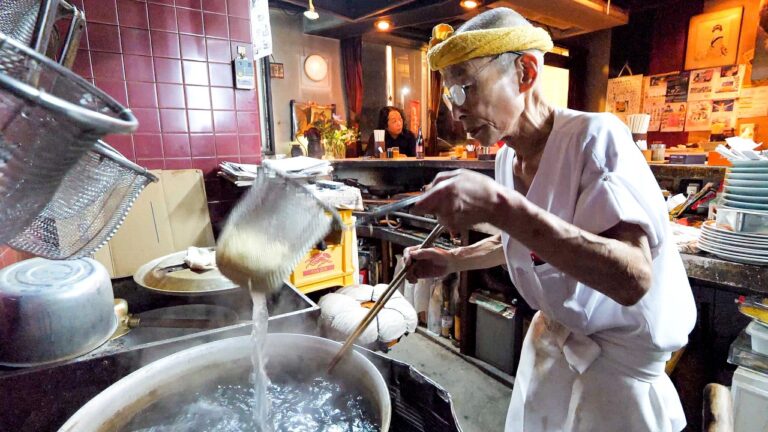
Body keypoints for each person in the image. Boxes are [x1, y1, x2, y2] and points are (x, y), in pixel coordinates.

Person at [405, 8, 696, 432]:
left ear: (525, 72)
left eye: (465, 88)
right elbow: (527, 243)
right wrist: (453, 260)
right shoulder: (506, 159)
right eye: (451, 97)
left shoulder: (595, 138)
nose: (457, 112)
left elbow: (633, 277)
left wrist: (500, 206)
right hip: (556, 348)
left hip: (617, 374)